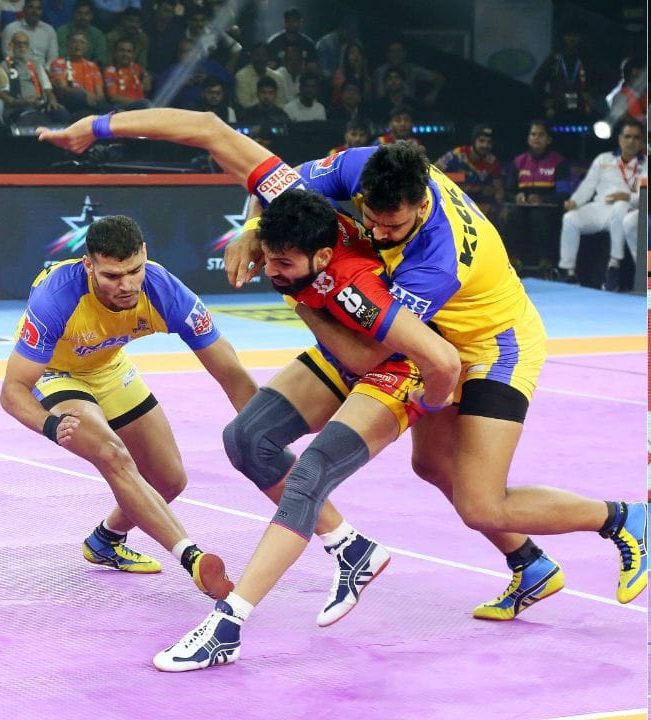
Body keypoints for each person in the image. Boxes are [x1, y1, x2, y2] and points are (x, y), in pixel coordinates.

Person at [42, 107, 648, 625]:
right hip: (419, 339)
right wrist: (98, 128)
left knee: (480, 503)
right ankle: (529, 563)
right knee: (428, 465)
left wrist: (300, 295)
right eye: (371, 218)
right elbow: (212, 132)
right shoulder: (364, 167)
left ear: (422, 204)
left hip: (490, 345)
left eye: (393, 225)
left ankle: (622, 519)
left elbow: (371, 353)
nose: (378, 233)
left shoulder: (432, 265)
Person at [151, 186, 463, 671]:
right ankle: (350, 547)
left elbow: (390, 359)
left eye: (283, 264)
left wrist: (430, 403)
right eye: (269, 259)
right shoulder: (310, 236)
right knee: (247, 438)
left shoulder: (355, 286)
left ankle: (227, 627)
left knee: (309, 476)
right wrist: (253, 230)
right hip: (344, 349)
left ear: (321, 257)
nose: (272, 271)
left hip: (400, 366)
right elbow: (249, 165)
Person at [0, 214, 253, 603]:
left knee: (169, 481)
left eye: (134, 271)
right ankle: (192, 558)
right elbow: (12, 390)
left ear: (145, 255)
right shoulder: (56, 297)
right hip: (55, 373)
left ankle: (105, 540)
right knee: (112, 453)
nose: (127, 285)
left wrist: (262, 430)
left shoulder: (165, 291)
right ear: (89, 265)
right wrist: (48, 424)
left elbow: (230, 371)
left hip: (109, 367)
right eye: (112, 276)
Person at [559, 117, 646, 291]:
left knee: (620, 206)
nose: (631, 141)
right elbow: (588, 185)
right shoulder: (603, 159)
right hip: (599, 208)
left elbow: (645, 196)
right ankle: (568, 271)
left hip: (627, 209)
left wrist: (627, 197)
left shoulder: (646, 164)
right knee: (570, 218)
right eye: (627, 136)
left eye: (636, 137)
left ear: (642, 141)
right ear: (619, 138)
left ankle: (614, 264)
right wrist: (575, 201)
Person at [506, 119, 571, 272]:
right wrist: (516, 197)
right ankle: (514, 259)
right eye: (533, 134)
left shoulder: (559, 162)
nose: (536, 138)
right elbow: (509, 190)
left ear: (548, 139)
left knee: (539, 216)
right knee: (514, 214)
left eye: (541, 135)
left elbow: (564, 193)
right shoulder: (519, 161)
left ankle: (545, 261)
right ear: (528, 138)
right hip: (523, 206)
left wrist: (542, 199)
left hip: (549, 207)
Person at [435, 122, 505, 226]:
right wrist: (460, 178)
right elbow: (434, 173)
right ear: (473, 141)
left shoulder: (492, 162)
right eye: (481, 141)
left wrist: (500, 206)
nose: (485, 145)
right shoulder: (457, 154)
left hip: (478, 205)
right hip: (452, 202)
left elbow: (499, 191)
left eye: (489, 142)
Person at [0, 30, 67, 123]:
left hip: (40, 105)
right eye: (18, 43)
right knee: (33, 117)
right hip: (18, 107)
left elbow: (47, 89)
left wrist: (52, 101)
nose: (21, 46)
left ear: (28, 46)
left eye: (25, 43)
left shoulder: (36, 65)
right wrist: (20, 102)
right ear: (11, 45)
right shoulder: (3, 66)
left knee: (61, 113)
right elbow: (2, 94)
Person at [48, 29, 108, 115]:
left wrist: (94, 98)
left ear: (87, 47)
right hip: (70, 101)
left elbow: (100, 94)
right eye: (74, 42)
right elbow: (62, 88)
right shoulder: (58, 63)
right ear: (68, 45)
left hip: (92, 103)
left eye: (82, 42)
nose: (78, 45)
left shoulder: (92, 66)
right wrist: (84, 93)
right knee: (79, 96)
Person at [233, 42, 289, 110]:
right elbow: (244, 104)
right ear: (251, 57)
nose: (261, 58)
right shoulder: (241, 77)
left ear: (268, 57)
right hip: (251, 115)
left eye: (264, 55)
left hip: (275, 115)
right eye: (257, 55)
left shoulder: (276, 77)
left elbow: (281, 103)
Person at [3, 0, 56, 67]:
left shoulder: (49, 30)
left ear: (42, 11)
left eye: (38, 8)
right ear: (24, 9)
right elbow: (8, 55)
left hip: (44, 70)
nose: (35, 12)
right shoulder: (11, 28)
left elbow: (53, 57)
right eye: (31, 7)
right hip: (18, 70)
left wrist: (45, 70)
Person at [103, 36, 150, 110]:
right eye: (122, 51)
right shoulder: (110, 71)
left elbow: (147, 87)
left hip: (140, 106)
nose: (125, 54)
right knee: (146, 104)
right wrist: (137, 102)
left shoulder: (135, 68)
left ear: (133, 55)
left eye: (129, 51)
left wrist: (146, 76)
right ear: (115, 53)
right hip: (121, 107)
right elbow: (113, 97)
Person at [55, 0, 105, 65]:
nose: (83, 17)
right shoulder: (63, 31)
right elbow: (61, 55)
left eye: (86, 14)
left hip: (90, 68)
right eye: (80, 13)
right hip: (66, 66)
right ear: (74, 14)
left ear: (91, 15)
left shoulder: (98, 34)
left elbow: (99, 57)